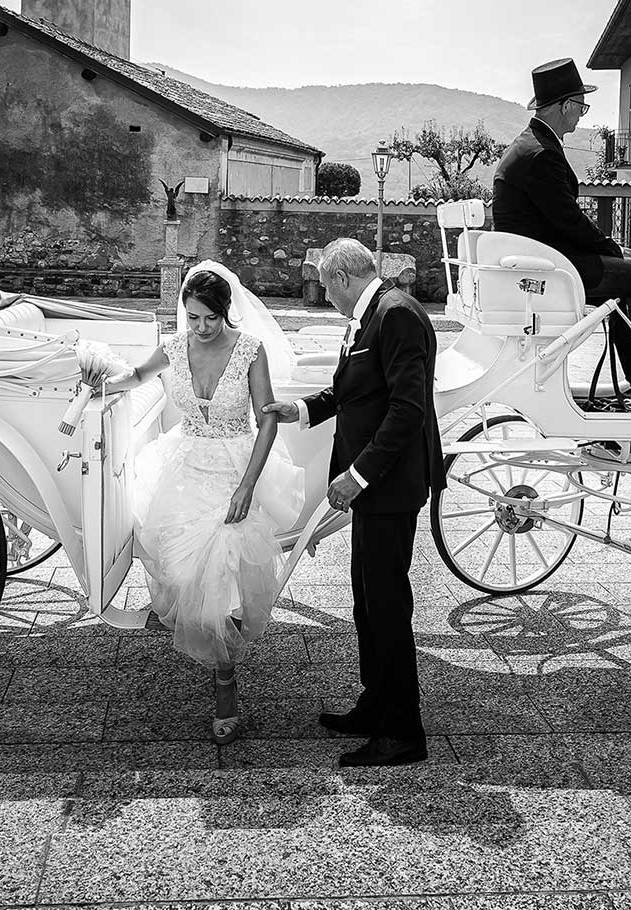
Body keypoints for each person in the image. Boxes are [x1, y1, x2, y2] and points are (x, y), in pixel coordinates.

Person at [84, 262, 303, 745]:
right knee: (183, 576)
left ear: (226, 312)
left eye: (209, 318)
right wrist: (96, 376)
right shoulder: (174, 348)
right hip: (183, 466)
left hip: (234, 468)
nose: (201, 328)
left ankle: (226, 687)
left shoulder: (249, 350)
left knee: (222, 574)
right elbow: (132, 377)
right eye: (193, 318)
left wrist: (247, 485)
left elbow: (268, 419)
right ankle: (208, 639)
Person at [263, 238, 439, 768]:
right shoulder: (370, 314)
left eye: (321, 282)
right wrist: (300, 409)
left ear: (340, 278)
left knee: (386, 605)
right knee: (367, 600)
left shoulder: (396, 316)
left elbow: (407, 411)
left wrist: (358, 476)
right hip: (374, 488)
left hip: (387, 486)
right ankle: (375, 703)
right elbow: (354, 391)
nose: (319, 292)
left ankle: (403, 731)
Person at [492, 57, 631, 413]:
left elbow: (562, 222)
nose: (582, 115)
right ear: (566, 106)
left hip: (545, 262)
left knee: (626, 289)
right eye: (582, 106)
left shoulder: (531, 145)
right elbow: (570, 222)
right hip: (550, 271)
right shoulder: (541, 154)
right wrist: (617, 250)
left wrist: (613, 252)